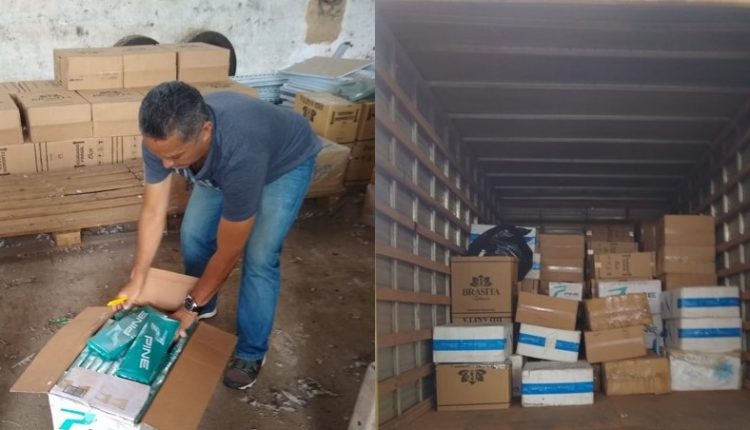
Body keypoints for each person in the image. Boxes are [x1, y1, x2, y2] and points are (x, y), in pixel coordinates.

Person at [116, 81, 321, 389]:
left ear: (205, 131)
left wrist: (187, 308)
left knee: (260, 255)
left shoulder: (241, 153)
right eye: (160, 155)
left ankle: (251, 351)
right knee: (193, 233)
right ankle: (204, 302)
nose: (166, 164)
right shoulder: (160, 140)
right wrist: (137, 277)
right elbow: (153, 211)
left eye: (175, 155)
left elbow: (229, 250)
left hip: (285, 163)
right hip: (226, 160)